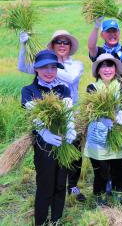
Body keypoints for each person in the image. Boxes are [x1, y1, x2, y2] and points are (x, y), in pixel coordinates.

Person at [18, 30, 86, 202]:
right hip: (45, 117)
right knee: (48, 165)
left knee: (73, 153)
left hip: (70, 113)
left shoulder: (76, 64)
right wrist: (24, 46)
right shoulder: (41, 72)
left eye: (66, 42)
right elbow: (24, 67)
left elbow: (70, 78)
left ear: (70, 47)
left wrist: (48, 65)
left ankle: (72, 185)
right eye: (58, 42)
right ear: (53, 45)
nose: (62, 45)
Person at [21, 49, 76, 225]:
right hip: (44, 145)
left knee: (61, 184)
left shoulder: (63, 88)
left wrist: (70, 129)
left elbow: (68, 112)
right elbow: (33, 116)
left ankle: (56, 219)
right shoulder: (29, 90)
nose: (49, 71)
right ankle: (41, 222)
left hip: (63, 143)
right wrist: (44, 133)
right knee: (45, 186)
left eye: (53, 67)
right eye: (44, 67)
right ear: (36, 69)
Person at [87, 18, 122, 192]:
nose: (112, 34)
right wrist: (95, 26)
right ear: (103, 34)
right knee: (106, 141)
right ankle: (108, 179)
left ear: (118, 32)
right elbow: (91, 47)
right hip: (104, 100)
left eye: (114, 31)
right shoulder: (101, 52)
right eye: (108, 32)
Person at [84, 53, 122, 205]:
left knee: (118, 170)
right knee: (101, 172)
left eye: (110, 65)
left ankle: (118, 198)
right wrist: (104, 117)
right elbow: (90, 110)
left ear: (115, 69)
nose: (107, 69)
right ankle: (99, 199)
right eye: (103, 66)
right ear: (98, 70)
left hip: (117, 133)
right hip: (98, 136)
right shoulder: (92, 88)